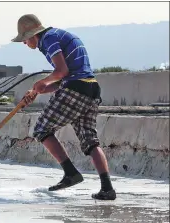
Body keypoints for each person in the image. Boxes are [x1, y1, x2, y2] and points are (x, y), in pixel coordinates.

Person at [11, 14, 116, 200]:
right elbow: (65, 79)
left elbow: (61, 72)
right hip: (91, 89)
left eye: (25, 40)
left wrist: (41, 81)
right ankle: (107, 188)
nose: (25, 44)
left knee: (41, 130)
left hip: (75, 90)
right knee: (91, 141)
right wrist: (40, 89)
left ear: (33, 34)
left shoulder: (48, 39)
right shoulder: (59, 35)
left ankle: (70, 173)